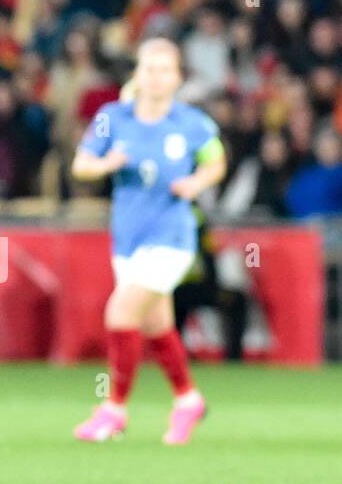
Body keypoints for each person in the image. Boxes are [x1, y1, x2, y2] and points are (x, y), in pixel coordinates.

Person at [71, 37, 228, 444]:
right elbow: (80, 165)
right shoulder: (113, 118)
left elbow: (216, 162)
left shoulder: (191, 123)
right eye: (149, 68)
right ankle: (188, 399)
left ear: (177, 77)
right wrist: (106, 164)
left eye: (164, 69)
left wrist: (195, 182)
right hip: (128, 237)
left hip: (172, 236)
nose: (156, 77)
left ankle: (114, 410)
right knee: (158, 324)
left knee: (120, 314)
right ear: (137, 74)